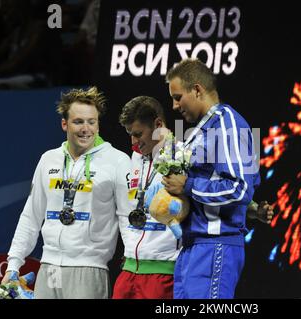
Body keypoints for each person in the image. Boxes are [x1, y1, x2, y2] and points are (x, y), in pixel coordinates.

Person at [113, 96, 272, 299]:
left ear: (158, 125)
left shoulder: (186, 156)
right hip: (129, 269)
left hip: (167, 269)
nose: (133, 142)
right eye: (129, 134)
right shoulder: (131, 161)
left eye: (138, 134)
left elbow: (217, 185)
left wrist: (252, 208)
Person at [2, 87, 132, 299]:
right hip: (49, 268)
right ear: (65, 124)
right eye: (78, 121)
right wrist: (13, 264)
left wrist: (132, 263)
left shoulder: (117, 161)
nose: (86, 129)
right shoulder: (48, 159)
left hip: (89, 269)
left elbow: (127, 218)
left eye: (92, 121)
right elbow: (31, 216)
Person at [163, 58, 261, 299]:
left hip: (215, 245)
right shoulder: (200, 131)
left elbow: (239, 189)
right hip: (193, 246)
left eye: (178, 97)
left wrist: (187, 185)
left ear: (197, 89)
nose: (175, 106)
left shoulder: (227, 124)